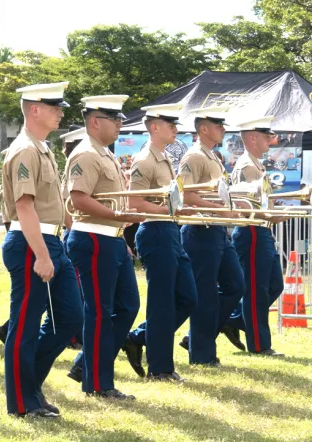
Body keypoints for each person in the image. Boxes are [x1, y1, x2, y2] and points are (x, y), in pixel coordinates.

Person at [0, 81, 83, 418]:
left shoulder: (42, 149)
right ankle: (22, 402)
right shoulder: (25, 150)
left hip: (50, 242)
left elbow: (53, 203)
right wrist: (43, 255)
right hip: (31, 244)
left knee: (71, 317)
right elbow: (24, 207)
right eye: (54, 107)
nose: (60, 112)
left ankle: (30, 386)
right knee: (25, 324)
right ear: (34, 109)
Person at [62, 95, 144, 400]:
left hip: (112, 238)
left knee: (128, 306)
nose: (121, 123)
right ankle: (98, 383)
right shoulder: (86, 154)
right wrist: (118, 217)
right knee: (100, 313)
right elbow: (78, 199)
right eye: (115, 118)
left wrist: (121, 231)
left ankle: (86, 365)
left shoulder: (105, 154)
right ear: (95, 122)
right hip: (94, 239)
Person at [121, 103, 199, 383]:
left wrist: (176, 210)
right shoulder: (145, 160)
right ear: (154, 127)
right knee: (162, 303)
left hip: (169, 231)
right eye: (170, 124)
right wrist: (169, 210)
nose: (175, 129)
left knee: (187, 298)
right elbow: (134, 202)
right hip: (155, 231)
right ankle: (160, 368)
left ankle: (138, 337)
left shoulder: (163, 157)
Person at [177, 106, 245, 367]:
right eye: (218, 125)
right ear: (203, 129)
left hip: (216, 229)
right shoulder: (194, 156)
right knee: (205, 296)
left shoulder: (212, 156)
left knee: (235, 285)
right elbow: (185, 195)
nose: (223, 130)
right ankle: (202, 355)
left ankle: (197, 337)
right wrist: (221, 209)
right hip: (200, 230)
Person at [224, 115, 286, 357]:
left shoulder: (255, 164)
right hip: (252, 229)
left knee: (274, 285)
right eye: (266, 136)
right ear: (252, 138)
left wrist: (275, 212)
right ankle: (259, 344)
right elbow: (248, 205)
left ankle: (233, 319)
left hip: (260, 229)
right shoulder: (248, 166)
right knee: (256, 290)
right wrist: (273, 214)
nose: (270, 140)